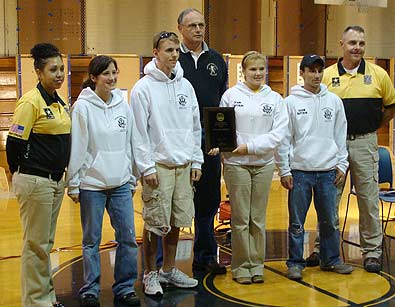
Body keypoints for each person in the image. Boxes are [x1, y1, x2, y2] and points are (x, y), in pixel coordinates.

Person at [307, 26, 395, 273]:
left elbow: (390, 106)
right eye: (352, 42)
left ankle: (372, 253)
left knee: (368, 200)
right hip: (333, 147)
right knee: (328, 200)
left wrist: (374, 127)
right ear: (341, 44)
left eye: (361, 43)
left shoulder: (379, 74)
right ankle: (322, 248)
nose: (357, 47)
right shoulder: (325, 75)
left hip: (365, 143)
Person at [130, 31, 203, 296]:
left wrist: (197, 160)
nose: (173, 55)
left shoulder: (186, 86)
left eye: (176, 51)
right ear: (156, 53)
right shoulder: (143, 88)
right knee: (154, 223)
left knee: (176, 221)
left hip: (183, 164)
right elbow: (138, 132)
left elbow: (195, 127)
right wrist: (146, 167)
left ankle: (169, 270)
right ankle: (150, 273)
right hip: (157, 167)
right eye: (168, 50)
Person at [66, 55, 139, 306]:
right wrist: (74, 182)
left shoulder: (123, 105)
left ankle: (125, 286)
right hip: (91, 186)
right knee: (91, 240)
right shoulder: (82, 107)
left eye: (114, 73)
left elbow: (129, 143)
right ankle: (91, 288)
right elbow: (78, 147)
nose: (112, 78)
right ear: (94, 78)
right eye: (106, 73)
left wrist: (131, 177)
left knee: (128, 237)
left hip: (120, 183)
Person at [277, 54, 354, 280]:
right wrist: (284, 169)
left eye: (319, 70)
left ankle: (331, 260)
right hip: (300, 172)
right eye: (311, 70)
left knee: (329, 220)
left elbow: (341, 135)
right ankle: (295, 263)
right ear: (302, 73)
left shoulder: (334, 101)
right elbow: (284, 139)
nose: (316, 75)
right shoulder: (290, 103)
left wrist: (342, 164)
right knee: (297, 222)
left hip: (328, 171)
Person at [6, 43, 70, 307]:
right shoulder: (30, 101)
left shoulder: (58, 101)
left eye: (61, 69)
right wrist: (20, 176)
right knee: (36, 245)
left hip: (55, 182)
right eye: (53, 69)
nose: (59, 74)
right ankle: (35, 302)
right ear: (38, 72)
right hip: (36, 181)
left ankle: (47, 297)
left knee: (45, 243)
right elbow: (14, 144)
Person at [219, 51, 288, 284]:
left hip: (263, 164)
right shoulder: (230, 96)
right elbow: (224, 129)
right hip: (236, 164)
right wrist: (237, 148)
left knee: (257, 218)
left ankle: (257, 265)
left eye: (261, 69)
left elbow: (278, 134)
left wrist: (250, 146)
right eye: (253, 69)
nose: (258, 73)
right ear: (243, 71)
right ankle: (240, 266)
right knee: (240, 218)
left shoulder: (275, 99)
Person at [177, 8, 228, 274]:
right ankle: (164, 266)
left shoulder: (217, 60)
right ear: (180, 29)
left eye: (201, 25)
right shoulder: (174, 60)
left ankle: (206, 255)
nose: (198, 30)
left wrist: (220, 142)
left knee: (208, 199)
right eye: (192, 25)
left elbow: (222, 103)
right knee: (177, 198)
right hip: (180, 139)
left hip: (209, 142)